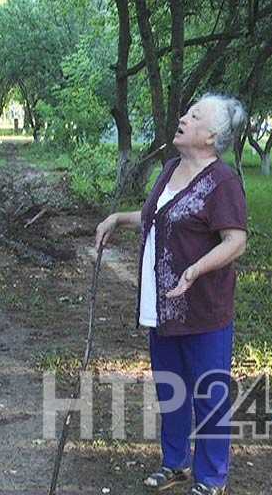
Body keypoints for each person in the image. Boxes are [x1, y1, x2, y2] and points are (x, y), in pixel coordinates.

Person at [95, 93, 248, 495]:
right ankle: (175, 463)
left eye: (194, 116)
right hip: (163, 308)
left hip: (203, 309)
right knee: (171, 391)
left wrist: (196, 269)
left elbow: (235, 241)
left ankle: (212, 478)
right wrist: (118, 218)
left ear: (211, 137)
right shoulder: (169, 169)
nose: (183, 117)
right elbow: (155, 217)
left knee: (209, 396)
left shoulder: (223, 182)